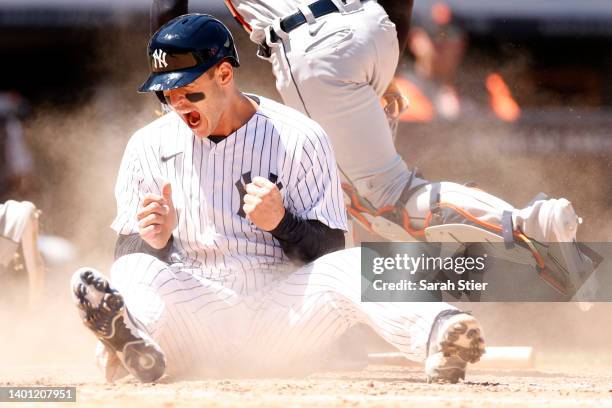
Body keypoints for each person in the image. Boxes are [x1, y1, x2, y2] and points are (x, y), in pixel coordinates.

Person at [70, 15, 485, 384]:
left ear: (224, 75)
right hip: (194, 314)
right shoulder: (148, 145)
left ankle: (440, 334)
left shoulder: (298, 136)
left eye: (188, 91)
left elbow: (329, 250)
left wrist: (282, 222)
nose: (177, 103)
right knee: (131, 264)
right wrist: (154, 239)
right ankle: (134, 345)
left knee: (354, 264)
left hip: (280, 316)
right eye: (165, 94)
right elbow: (129, 251)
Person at [395, 2, 521, 123]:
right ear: (414, 40)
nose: (440, 44)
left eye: (448, 36)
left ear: (462, 44)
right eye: (433, 36)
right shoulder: (398, 89)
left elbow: (512, 122)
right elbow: (422, 127)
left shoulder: (487, 86)